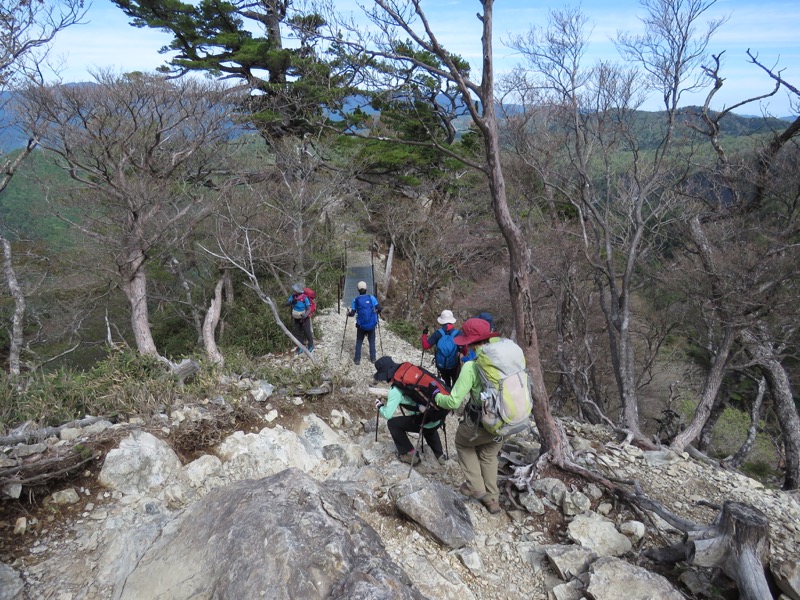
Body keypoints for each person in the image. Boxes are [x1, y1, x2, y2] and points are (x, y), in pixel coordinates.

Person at [433, 317, 523, 515]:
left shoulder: (471, 367)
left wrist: (436, 396)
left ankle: (476, 486)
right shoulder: (506, 361)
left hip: (481, 422)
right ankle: (493, 500)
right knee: (489, 455)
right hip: (509, 419)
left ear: (470, 343)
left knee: (463, 444)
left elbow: (454, 402)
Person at [373, 356, 447, 466]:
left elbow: (388, 415)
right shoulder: (409, 375)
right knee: (427, 421)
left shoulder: (395, 389)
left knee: (393, 424)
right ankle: (440, 455)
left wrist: (380, 406)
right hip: (438, 416)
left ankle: (410, 454)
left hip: (425, 422)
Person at [421, 309, 461, 388]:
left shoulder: (438, 333)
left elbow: (426, 346)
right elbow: (464, 349)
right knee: (455, 382)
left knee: (446, 383)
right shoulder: (458, 333)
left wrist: (424, 335)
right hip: (454, 364)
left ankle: (446, 393)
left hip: (441, 365)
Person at [348, 281, 381, 365]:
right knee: (372, 341)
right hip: (371, 324)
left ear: (357, 290)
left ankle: (357, 359)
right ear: (366, 289)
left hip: (361, 326)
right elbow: (379, 309)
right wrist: (376, 311)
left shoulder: (355, 300)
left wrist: (347, 314)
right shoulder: (372, 298)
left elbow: (352, 314)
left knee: (359, 341)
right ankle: (373, 358)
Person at [287, 283, 314, 353]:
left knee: (307, 331)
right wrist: (291, 302)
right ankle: (300, 346)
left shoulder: (305, 298)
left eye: (294, 290)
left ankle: (311, 345)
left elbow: (309, 309)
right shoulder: (293, 296)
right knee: (297, 332)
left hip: (305, 317)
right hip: (296, 317)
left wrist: (305, 315)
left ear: (298, 291)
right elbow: (288, 303)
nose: (293, 291)